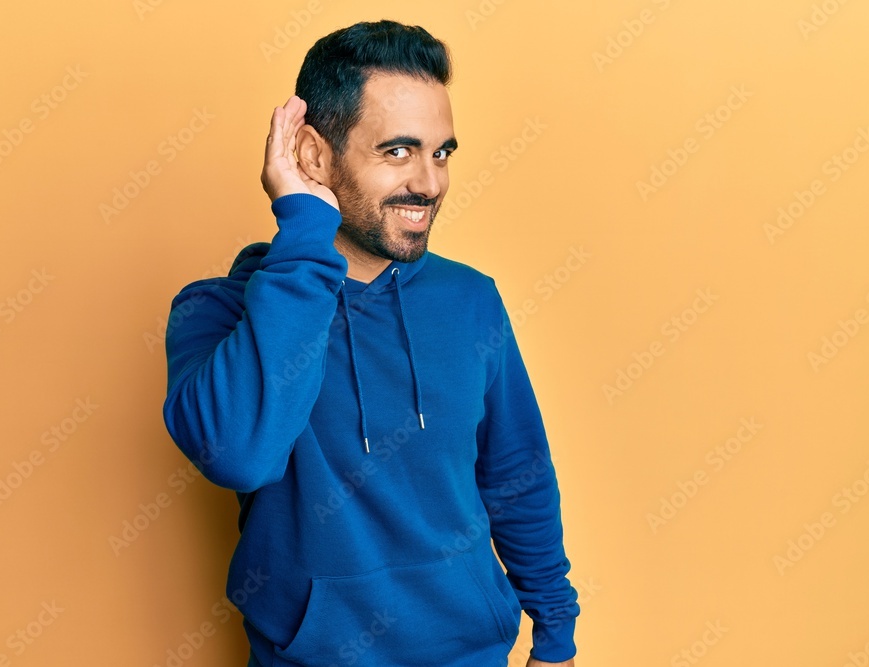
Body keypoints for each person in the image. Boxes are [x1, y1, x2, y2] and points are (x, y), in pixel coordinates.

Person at [162, 19, 578, 667]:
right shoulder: (219, 311)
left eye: (441, 152)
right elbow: (239, 453)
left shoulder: (471, 301)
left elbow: (516, 477)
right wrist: (303, 226)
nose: (430, 183)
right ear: (313, 155)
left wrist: (555, 633)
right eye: (398, 151)